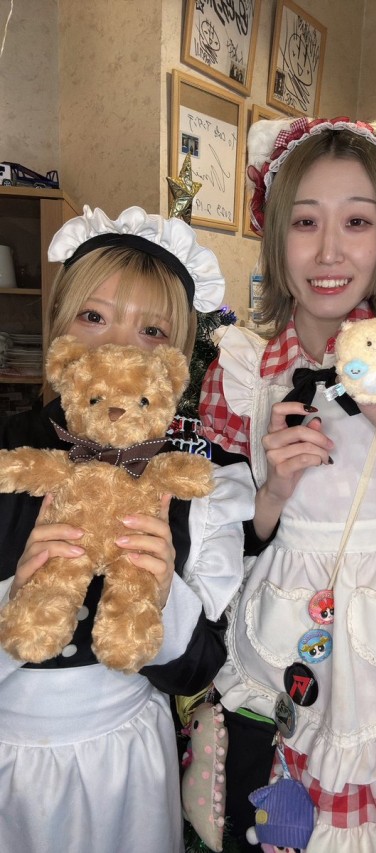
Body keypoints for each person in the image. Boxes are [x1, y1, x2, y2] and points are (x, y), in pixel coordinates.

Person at [199, 117, 376, 851]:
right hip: (284, 663)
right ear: (275, 237)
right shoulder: (241, 373)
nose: (329, 251)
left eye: (357, 221)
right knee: (284, 827)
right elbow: (216, 556)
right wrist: (271, 495)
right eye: (305, 222)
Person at [0, 205, 255, 853]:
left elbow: (198, 669)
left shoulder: (196, 486)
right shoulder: (8, 459)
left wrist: (166, 593)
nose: (116, 346)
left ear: (175, 360)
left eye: (151, 329)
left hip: (128, 763)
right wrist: (12, 600)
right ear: (59, 326)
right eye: (94, 316)